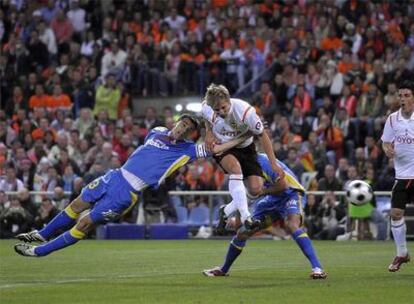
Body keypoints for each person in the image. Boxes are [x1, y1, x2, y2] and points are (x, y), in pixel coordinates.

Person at [14, 114, 245, 257]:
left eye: (188, 128)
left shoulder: (187, 150)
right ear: (175, 122)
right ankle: (41, 235)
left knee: (85, 223)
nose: (183, 128)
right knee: (77, 202)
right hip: (115, 176)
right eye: (182, 123)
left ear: (191, 135)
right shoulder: (156, 132)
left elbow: (213, 149)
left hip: (128, 192)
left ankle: (39, 252)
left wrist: (222, 131)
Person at [202, 153, 327, 279]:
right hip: (270, 198)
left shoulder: (263, 162)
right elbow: (241, 212)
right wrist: (239, 219)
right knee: (243, 233)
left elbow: (283, 185)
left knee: (291, 225)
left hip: (291, 193)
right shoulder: (239, 173)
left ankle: (317, 268)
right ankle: (224, 269)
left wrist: (261, 192)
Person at [201, 84, 285, 232]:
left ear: (229, 100)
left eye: (223, 108)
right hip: (223, 146)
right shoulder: (208, 109)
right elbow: (204, 111)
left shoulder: (245, 111)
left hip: (247, 147)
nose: (221, 112)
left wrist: (274, 164)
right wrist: (208, 131)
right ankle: (246, 217)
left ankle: (226, 210)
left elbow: (263, 135)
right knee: (236, 170)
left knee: (256, 189)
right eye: (217, 110)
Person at [381, 80, 414, 272]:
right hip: (402, 175)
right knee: (395, 213)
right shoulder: (393, 119)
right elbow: (385, 142)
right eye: (400, 95)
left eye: (406, 95)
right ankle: (402, 253)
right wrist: (387, 150)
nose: (402, 99)